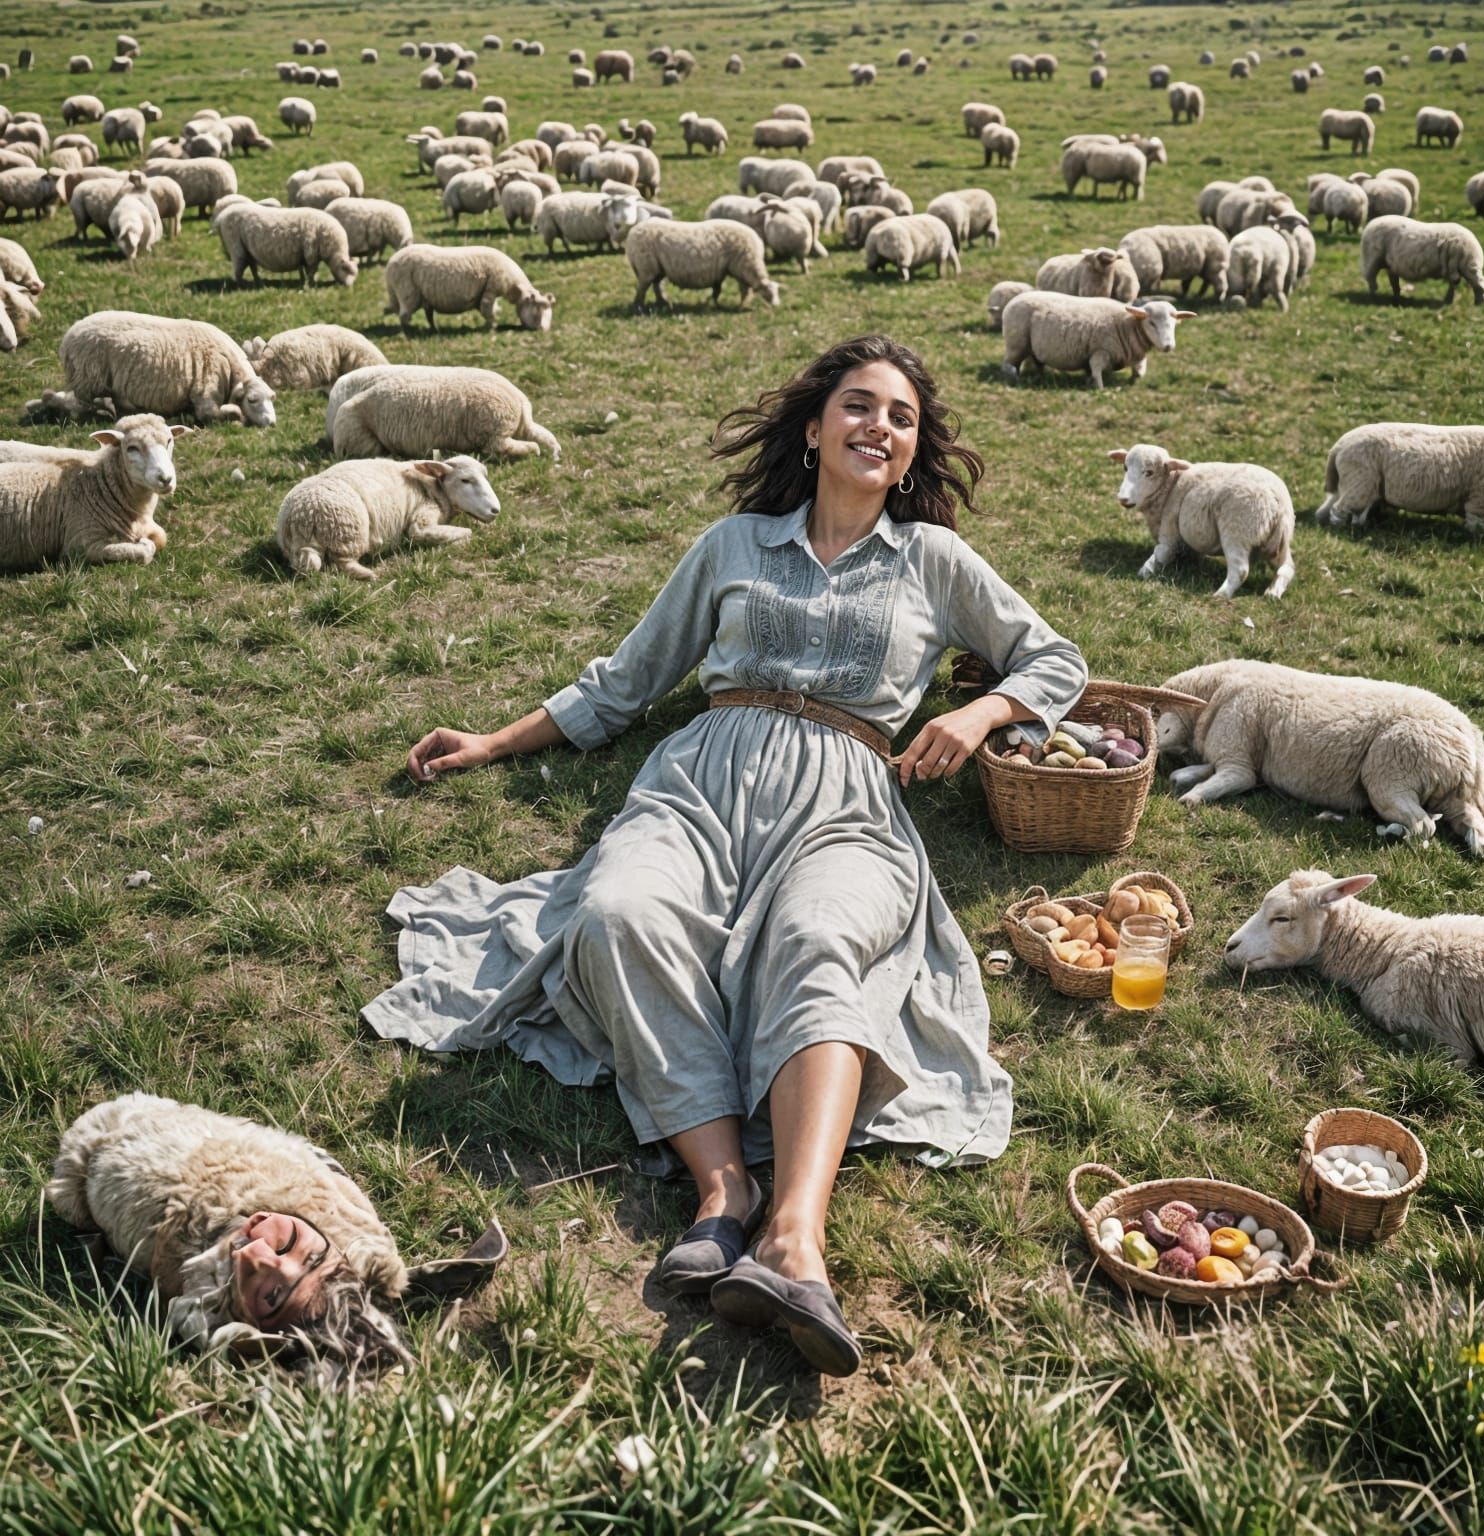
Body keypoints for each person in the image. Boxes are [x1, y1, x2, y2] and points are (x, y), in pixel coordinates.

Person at [367, 335, 1087, 1375]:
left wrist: (980, 715)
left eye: (902, 418)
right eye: (859, 405)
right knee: (617, 914)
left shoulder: (932, 560)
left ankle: (797, 1239)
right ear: (813, 427)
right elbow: (627, 679)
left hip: (848, 797)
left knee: (816, 937)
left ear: (911, 449)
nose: (879, 426)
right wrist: (491, 741)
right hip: (703, 780)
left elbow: (1054, 655)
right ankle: (721, 1192)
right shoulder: (735, 545)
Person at [48, 1093, 413, 1386]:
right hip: (141, 1116)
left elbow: (207, 1331)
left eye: (271, 1297)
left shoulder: (205, 1298)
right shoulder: (334, 1209)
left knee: (70, 1204)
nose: (254, 1251)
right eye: (295, 1249)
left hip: (84, 1163)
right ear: (330, 1242)